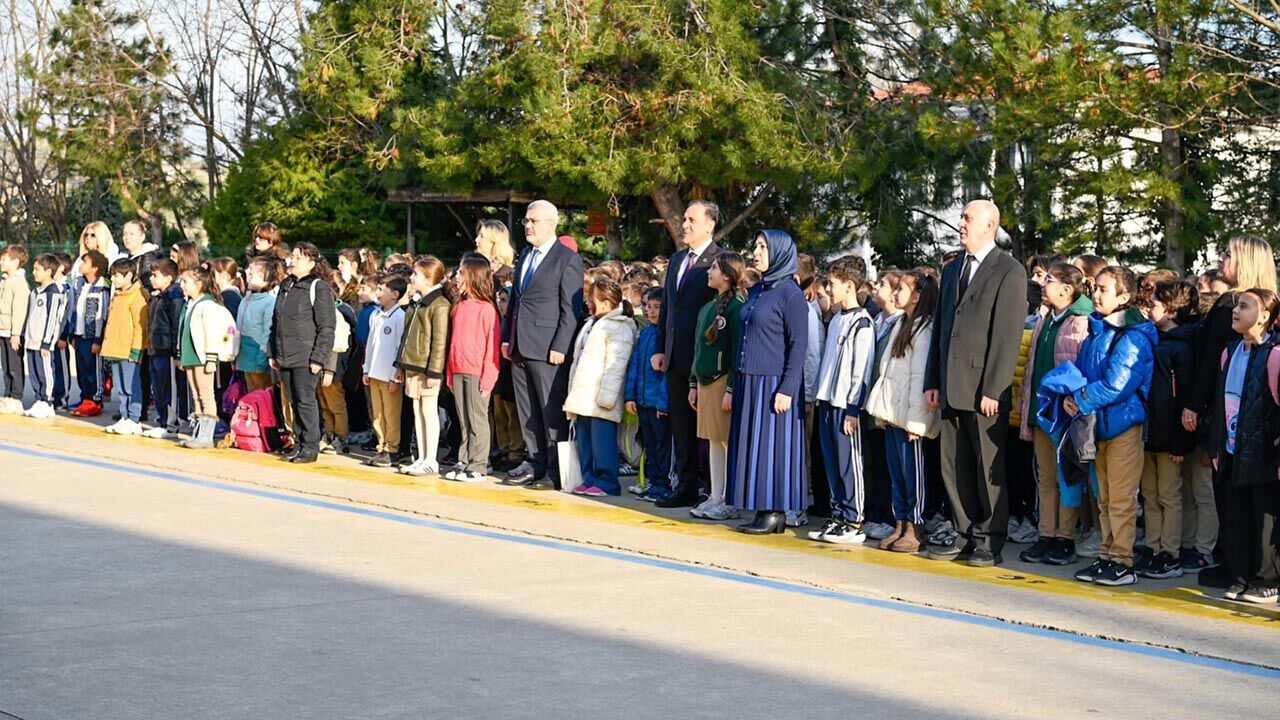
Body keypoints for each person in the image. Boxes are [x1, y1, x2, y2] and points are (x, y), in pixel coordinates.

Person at [924, 200, 1028, 567]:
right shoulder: (952, 269)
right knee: (954, 464)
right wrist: (932, 379)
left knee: (988, 467)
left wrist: (994, 388)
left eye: (968, 218)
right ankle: (963, 530)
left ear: (990, 225)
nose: (961, 223)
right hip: (951, 383)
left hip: (983, 388)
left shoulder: (1009, 270)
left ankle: (989, 537)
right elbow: (941, 329)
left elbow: (1007, 335)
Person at [1184, 235, 1277, 586]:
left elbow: (1208, 361)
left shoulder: (1238, 307)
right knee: (1231, 494)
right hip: (1230, 416)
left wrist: (1193, 403)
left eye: (1228, 254)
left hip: (1254, 422)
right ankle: (1237, 564)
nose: (1221, 259)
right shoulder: (1232, 306)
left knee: (1252, 502)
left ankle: (1253, 570)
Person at [1064, 266, 1157, 587]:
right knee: (1103, 498)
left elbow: (1119, 383)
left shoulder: (1133, 336)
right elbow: (1086, 372)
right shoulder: (1098, 331)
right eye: (1095, 288)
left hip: (1123, 426)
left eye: (1104, 289)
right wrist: (1070, 394)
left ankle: (1122, 561)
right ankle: (1106, 555)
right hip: (1100, 425)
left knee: (1120, 498)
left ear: (1125, 296)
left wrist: (1081, 398)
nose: (1095, 294)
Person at [726, 230, 809, 534]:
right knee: (754, 447)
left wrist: (787, 388)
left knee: (773, 448)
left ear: (780, 252)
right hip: (750, 380)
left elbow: (799, 345)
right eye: (756, 245)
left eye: (763, 247)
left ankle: (775, 511)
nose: (756, 252)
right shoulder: (758, 290)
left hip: (773, 383)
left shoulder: (790, 294)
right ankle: (762, 507)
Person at [500, 200, 585, 490]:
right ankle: (533, 461)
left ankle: (553, 468)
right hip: (520, 344)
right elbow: (516, 300)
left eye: (533, 221)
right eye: (526, 220)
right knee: (527, 410)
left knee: (550, 413)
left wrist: (561, 345)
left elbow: (570, 308)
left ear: (550, 224)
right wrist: (506, 337)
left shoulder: (567, 258)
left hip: (548, 347)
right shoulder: (525, 254)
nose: (527, 225)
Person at [1016, 262, 1092, 566]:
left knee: (1067, 477)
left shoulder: (1081, 321)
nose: (1043, 284)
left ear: (1066, 289)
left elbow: (1082, 368)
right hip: (1042, 409)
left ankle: (1065, 537)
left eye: (1049, 280)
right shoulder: (1046, 318)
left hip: (1064, 414)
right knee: (1046, 477)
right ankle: (1046, 534)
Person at [651, 201, 723, 508]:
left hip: (703, 360)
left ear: (709, 225)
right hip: (675, 357)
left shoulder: (719, 261)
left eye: (692, 220)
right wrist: (659, 348)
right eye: (684, 219)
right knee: (680, 424)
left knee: (707, 428)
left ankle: (713, 486)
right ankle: (685, 484)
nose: (684, 224)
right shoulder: (678, 259)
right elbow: (668, 307)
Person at [1211, 288, 1280, 603]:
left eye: (1244, 306)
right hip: (1232, 450)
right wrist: (1216, 446)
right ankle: (1241, 576)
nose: (1235, 311)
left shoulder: (1275, 354)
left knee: (1264, 519)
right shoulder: (1229, 351)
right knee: (1236, 515)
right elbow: (1220, 402)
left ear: (1265, 315)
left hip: (1264, 451)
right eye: (1236, 305)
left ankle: (1268, 579)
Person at [867, 270, 941, 552]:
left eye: (901, 289)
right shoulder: (901, 324)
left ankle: (915, 527)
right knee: (897, 474)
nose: (895, 293)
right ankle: (900, 523)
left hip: (910, 420)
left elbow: (919, 379)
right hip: (894, 415)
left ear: (918, 297)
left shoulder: (925, 329)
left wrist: (917, 422)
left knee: (914, 476)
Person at [807, 255, 877, 543]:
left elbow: (862, 370)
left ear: (850, 286)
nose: (829, 288)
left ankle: (854, 520)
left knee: (849, 464)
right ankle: (837, 516)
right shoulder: (836, 318)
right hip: (827, 401)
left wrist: (852, 408)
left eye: (833, 284)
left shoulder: (862, 323)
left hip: (845, 407)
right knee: (831, 462)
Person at [563, 278, 637, 496]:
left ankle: (607, 481)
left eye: (591, 299)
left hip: (601, 396)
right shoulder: (591, 323)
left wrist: (607, 397)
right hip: (584, 394)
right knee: (585, 440)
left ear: (605, 303)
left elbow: (617, 365)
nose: (588, 302)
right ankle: (589, 477)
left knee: (602, 442)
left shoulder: (620, 326)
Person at [687, 253, 748, 520]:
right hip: (705, 382)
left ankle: (730, 500)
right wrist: (692, 383)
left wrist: (731, 389)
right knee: (713, 441)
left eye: (713, 268)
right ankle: (715, 495)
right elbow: (697, 349)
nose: (708, 272)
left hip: (723, 381)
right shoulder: (706, 308)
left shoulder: (736, 307)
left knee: (726, 442)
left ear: (727, 274)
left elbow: (738, 352)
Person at [270, 242, 337, 464]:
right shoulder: (286, 285)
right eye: (293, 256)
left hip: (306, 355)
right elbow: (276, 321)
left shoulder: (318, 287)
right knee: (293, 400)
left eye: (298, 257)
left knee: (305, 400)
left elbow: (327, 327)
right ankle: (298, 442)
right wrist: (273, 351)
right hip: (285, 354)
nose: (293, 261)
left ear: (311, 262)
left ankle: (310, 446)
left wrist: (319, 357)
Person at [444, 254, 501, 482]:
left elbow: (492, 348)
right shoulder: (459, 307)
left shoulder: (487, 310)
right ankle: (464, 459)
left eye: (461, 273)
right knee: (463, 419)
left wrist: (488, 379)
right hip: (457, 370)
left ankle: (479, 463)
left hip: (478, 373)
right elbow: (453, 343)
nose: (457, 277)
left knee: (478, 419)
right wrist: (449, 372)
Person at [395, 258, 450, 475]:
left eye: (416, 275)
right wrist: (400, 364)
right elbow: (406, 335)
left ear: (428, 277)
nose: (411, 278)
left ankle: (431, 458)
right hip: (412, 364)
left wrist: (435, 371)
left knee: (429, 410)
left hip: (426, 367)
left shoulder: (439, 304)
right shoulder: (417, 302)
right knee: (417, 410)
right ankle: (421, 456)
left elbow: (439, 341)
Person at [176, 264, 237, 449]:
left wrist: (211, 358)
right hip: (190, 357)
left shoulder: (207, 305)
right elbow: (182, 331)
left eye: (185, 282)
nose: (182, 285)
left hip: (202, 357)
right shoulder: (189, 304)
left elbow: (212, 333)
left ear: (199, 283)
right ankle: (198, 432)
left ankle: (206, 435)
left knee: (206, 395)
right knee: (196, 396)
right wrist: (180, 355)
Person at [626, 286, 672, 501]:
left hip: (658, 403)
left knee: (662, 446)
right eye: (648, 307)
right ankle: (654, 482)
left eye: (657, 308)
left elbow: (667, 376)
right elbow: (635, 366)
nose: (651, 312)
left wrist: (664, 403)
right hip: (644, 400)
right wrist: (630, 396)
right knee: (650, 445)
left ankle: (663, 483)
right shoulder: (645, 333)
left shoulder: (667, 336)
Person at [362, 274, 408, 468]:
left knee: (391, 413)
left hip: (389, 375)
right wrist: (366, 369)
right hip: (374, 372)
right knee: (378, 413)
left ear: (395, 294)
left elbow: (400, 346)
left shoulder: (399, 316)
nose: (378, 293)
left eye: (382, 290)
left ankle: (392, 448)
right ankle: (381, 444)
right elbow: (371, 346)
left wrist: (394, 374)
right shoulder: (375, 314)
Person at [100, 258, 149, 435]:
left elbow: (140, 326)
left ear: (129, 275)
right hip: (115, 349)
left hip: (129, 351)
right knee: (121, 388)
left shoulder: (137, 296)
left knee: (131, 386)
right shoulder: (117, 295)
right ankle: (125, 416)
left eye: (117, 276)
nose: (113, 280)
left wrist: (136, 350)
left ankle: (134, 419)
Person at [140, 259, 185, 438]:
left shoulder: (173, 297)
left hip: (167, 351)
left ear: (168, 278)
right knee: (157, 387)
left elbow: (176, 327)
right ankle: (162, 419)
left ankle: (171, 424)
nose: (152, 278)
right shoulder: (157, 296)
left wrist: (176, 352)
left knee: (169, 388)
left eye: (155, 275)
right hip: (155, 349)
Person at [21, 254, 69, 418]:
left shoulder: (54, 293)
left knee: (45, 372)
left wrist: (47, 342)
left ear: (49, 271)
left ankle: (48, 401)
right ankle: (39, 399)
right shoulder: (35, 292)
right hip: (31, 340)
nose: (34, 272)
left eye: (37, 269)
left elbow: (53, 320)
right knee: (34, 372)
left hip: (43, 343)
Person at [67, 250, 111, 418]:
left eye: (84, 262)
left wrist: (98, 340)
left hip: (93, 338)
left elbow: (103, 315)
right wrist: (72, 334)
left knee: (94, 371)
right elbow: (75, 310)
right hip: (79, 336)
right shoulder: (80, 285)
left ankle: (95, 399)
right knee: (82, 370)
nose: (80, 265)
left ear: (94, 267)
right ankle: (85, 398)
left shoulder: (102, 287)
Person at [318, 272, 356, 456]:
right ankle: (329, 433)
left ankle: (341, 437)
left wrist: (329, 370)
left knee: (336, 405)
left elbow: (336, 346)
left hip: (332, 370)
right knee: (325, 405)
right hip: (319, 367)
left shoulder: (336, 315)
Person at [237, 257, 282, 392]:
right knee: (250, 394)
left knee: (261, 395)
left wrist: (262, 359)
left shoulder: (269, 302)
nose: (247, 275)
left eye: (252, 273)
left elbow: (268, 332)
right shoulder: (246, 299)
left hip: (258, 357)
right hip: (244, 357)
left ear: (265, 278)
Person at [0, 245, 30, 415]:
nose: (1, 262)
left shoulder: (18, 282)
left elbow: (19, 310)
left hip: (12, 331)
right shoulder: (5, 280)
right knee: (6, 366)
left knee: (14, 366)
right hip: (3, 329)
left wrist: (16, 333)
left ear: (15, 261)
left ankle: (16, 397)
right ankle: (8, 395)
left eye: (5, 259)